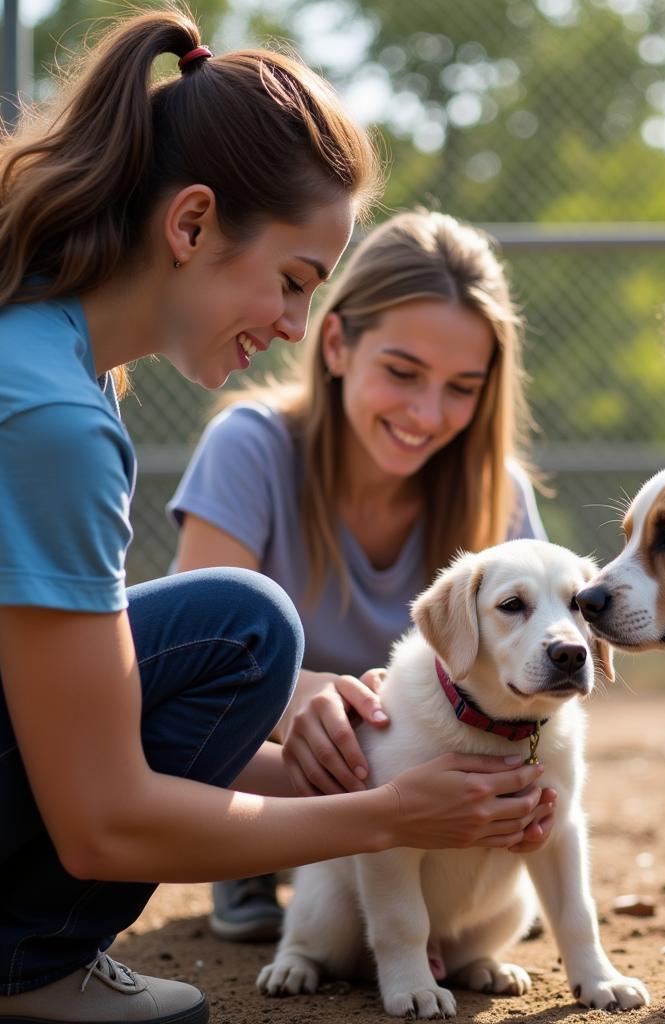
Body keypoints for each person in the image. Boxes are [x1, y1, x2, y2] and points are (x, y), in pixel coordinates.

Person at [0, 12, 552, 1024]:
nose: (294, 326)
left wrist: (398, 776)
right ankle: (24, 959)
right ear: (193, 222)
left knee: (237, 634)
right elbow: (102, 819)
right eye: (294, 282)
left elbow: (98, 717)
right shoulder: (54, 419)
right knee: (245, 628)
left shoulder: (46, 344)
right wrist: (384, 812)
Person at [169, 207, 553, 942]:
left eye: (462, 387)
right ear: (338, 342)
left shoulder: (498, 492)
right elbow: (186, 685)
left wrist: (513, 804)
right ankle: (254, 861)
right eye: (403, 372)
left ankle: (461, 885)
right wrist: (294, 696)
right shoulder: (249, 447)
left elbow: (538, 685)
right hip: (269, 777)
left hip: (426, 799)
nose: (426, 413)